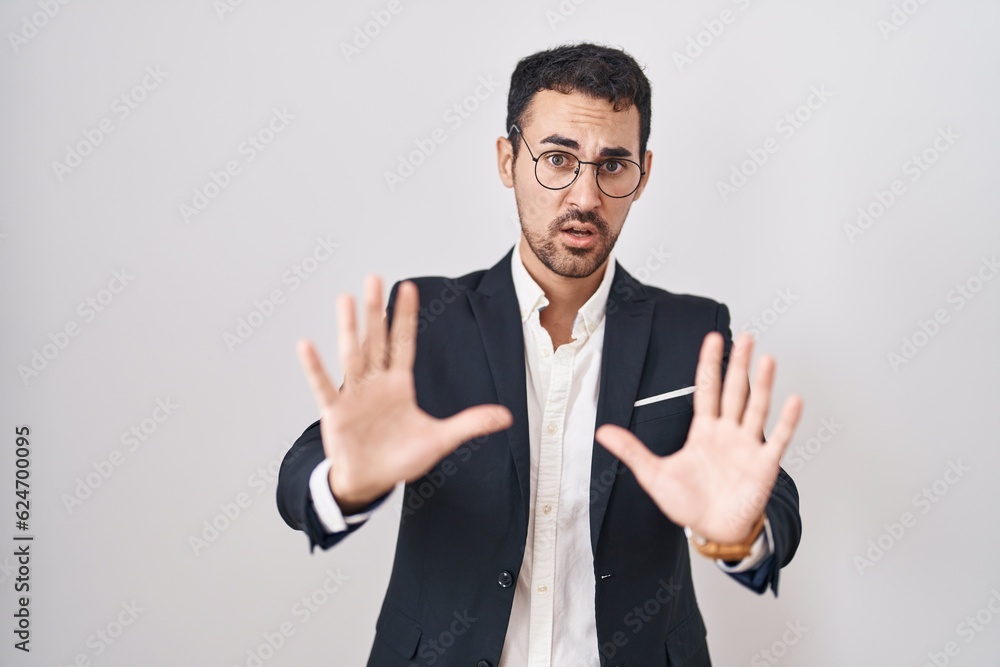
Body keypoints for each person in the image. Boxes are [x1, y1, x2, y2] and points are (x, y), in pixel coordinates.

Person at [277, 42, 803, 667]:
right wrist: (345, 481)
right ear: (508, 160)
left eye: (613, 165)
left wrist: (738, 532)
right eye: (557, 159)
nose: (585, 197)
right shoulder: (428, 321)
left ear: (644, 172)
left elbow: (763, 497)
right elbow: (302, 477)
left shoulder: (693, 330)